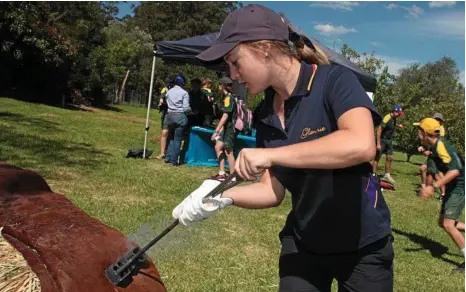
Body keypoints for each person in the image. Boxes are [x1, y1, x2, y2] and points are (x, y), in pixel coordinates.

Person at [172, 4, 394, 291]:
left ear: (264, 48)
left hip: (363, 245)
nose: (233, 74)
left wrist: (270, 154)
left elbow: (361, 144)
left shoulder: (333, 81)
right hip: (304, 244)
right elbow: (271, 191)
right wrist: (221, 197)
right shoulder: (265, 115)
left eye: (235, 62)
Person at [416, 118, 464, 272]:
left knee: (448, 225)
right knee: (443, 222)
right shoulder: (434, 149)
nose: (417, 133)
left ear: (424, 133)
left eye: (419, 130)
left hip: (459, 187)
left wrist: (434, 186)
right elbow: (431, 171)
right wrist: (428, 187)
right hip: (452, 187)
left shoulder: (441, 146)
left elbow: (455, 170)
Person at [210, 77, 238, 181]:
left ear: (222, 86)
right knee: (218, 147)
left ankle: (232, 176)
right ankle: (222, 173)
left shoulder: (229, 98)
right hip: (226, 128)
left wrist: (216, 131)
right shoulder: (226, 96)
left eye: (219, 85)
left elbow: (225, 116)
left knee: (228, 151)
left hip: (231, 129)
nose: (218, 87)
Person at [372, 105, 405, 183]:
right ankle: (373, 174)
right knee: (377, 158)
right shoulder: (387, 117)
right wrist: (378, 143)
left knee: (390, 158)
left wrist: (398, 125)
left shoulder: (394, 118)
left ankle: (386, 175)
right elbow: (379, 129)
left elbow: (391, 124)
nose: (400, 115)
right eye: (399, 113)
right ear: (394, 111)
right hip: (382, 140)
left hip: (389, 141)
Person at [164, 76, 191, 166]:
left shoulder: (169, 92)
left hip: (170, 116)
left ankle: (168, 157)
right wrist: (192, 112)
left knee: (171, 137)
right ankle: (174, 161)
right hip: (179, 116)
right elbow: (186, 108)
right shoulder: (184, 93)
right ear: (182, 83)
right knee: (178, 139)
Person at [418, 113, 446, 196]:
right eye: (435, 119)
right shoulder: (434, 128)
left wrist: (430, 152)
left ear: (440, 121)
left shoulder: (440, 130)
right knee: (423, 169)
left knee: (437, 175)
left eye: (437, 120)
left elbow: (439, 146)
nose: (435, 121)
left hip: (437, 156)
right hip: (433, 155)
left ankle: (443, 194)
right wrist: (423, 147)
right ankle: (424, 187)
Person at [156, 80, 171, 160]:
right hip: (166, 112)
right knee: (165, 132)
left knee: (168, 133)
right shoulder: (165, 89)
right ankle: (163, 152)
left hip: (172, 113)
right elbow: (161, 100)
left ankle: (166, 152)